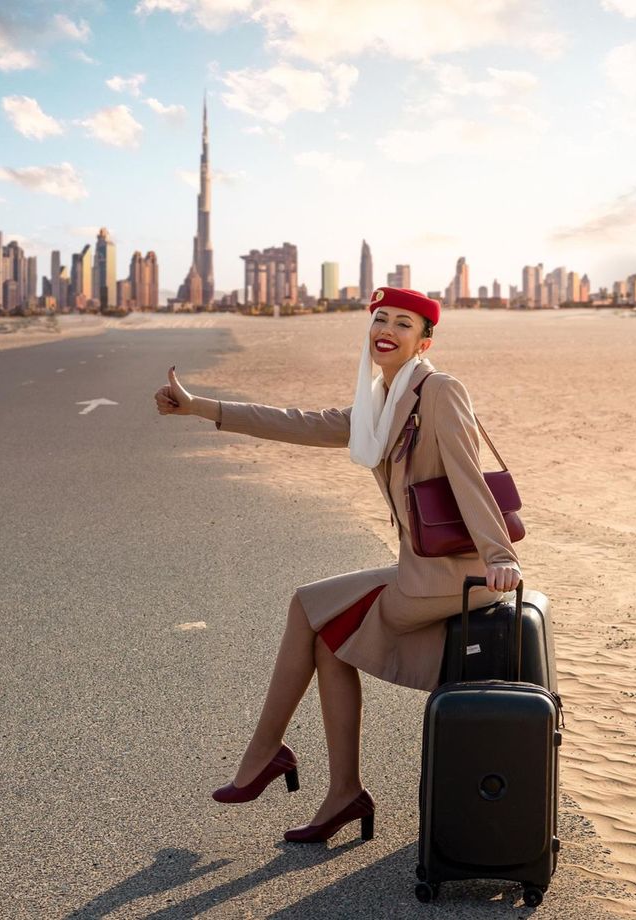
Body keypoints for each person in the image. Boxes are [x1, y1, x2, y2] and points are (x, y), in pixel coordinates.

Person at [154, 287, 521, 844]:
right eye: (380, 319)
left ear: (424, 341)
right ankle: (343, 793)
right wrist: (202, 406)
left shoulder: (440, 390)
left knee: (309, 605)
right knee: (326, 638)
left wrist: (500, 555)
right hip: (424, 570)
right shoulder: (379, 405)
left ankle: (264, 752)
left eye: (404, 323)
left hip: (454, 575)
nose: (388, 329)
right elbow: (297, 422)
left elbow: (468, 476)